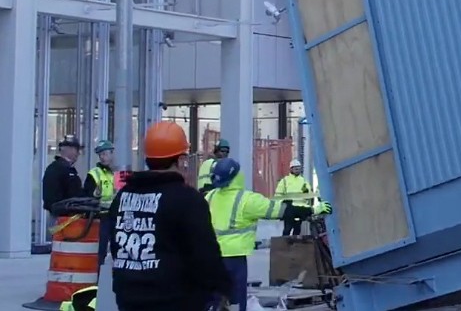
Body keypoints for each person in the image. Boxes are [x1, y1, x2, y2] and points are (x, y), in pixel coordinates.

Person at [108, 121, 231, 311]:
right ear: (181, 159)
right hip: (175, 300)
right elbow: (205, 254)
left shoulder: (123, 197)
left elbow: (117, 246)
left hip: (128, 298)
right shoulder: (187, 199)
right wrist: (222, 288)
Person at [206, 157, 333, 311]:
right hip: (234, 259)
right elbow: (282, 210)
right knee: (236, 301)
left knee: (213, 300)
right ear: (237, 176)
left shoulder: (209, 197)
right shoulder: (246, 200)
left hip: (211, 257)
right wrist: (313, 210)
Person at [84, 139, 116, 265]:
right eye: (100, 154)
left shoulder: (119, 172)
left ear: (112, 154)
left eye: (105, 154)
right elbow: (87, 196)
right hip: (102, 217)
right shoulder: (94, 174)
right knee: (101, 250)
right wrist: (95, 195)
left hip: (116, 217)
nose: (103, 157)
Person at [42, 135, 84, 221]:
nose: (78, 153)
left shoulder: (61, 168)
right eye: (76, 149)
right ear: (68, 149)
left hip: (64, 217)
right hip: (62, 218)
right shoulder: (59, 169)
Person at [274, 159, 312, 236]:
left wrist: (307, 192)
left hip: (300, 209)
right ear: (291, 169)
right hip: (289, 209)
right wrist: (281, 206)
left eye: (299, 168)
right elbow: (278, 195)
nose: (298, 170)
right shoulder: (285, 181)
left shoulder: (303, 181)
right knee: (287, 228)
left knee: (297, 229)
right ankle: (284, 245)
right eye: (296, 169)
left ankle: (294, 246)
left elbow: (309, 195)